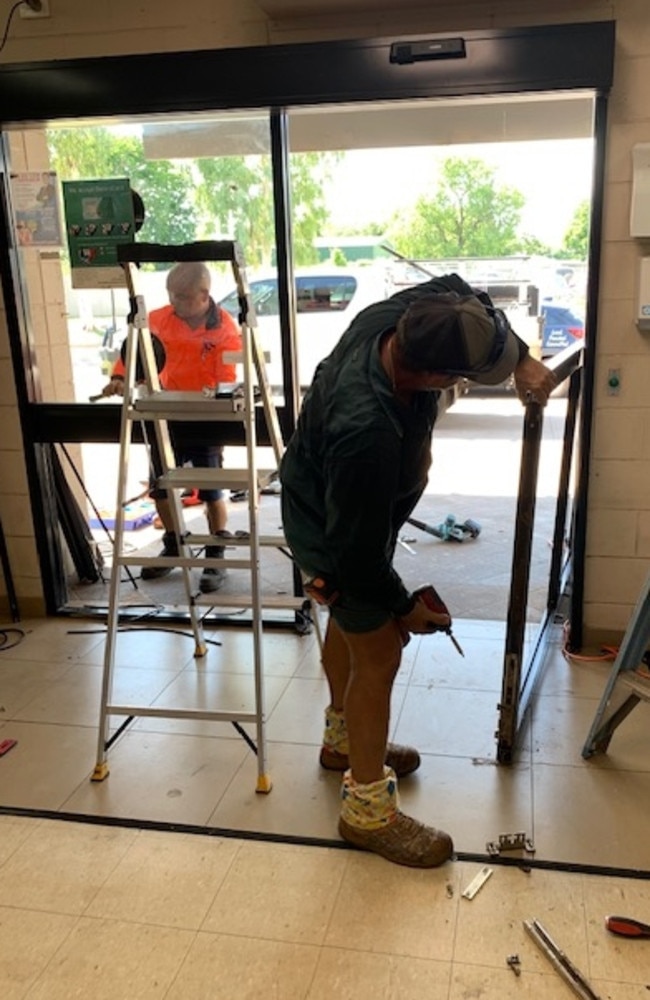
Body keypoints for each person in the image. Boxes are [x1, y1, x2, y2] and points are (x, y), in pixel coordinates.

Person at [279, 273, 556, 868]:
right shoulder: (366, 431)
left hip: (342, 505)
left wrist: (522, 360)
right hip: (331, 530)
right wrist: (405, 609)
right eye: (461, 377)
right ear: (435, 378)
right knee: (379, 649)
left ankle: (343, 745)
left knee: (351, 629)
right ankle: (366, 814)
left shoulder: (407, 314)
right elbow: (357, 561)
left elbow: (464, 292)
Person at [102, 261, 242, 593]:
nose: (174, 302)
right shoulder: (157, 320)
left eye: (181, 296)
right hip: (164, 415)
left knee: (211, 490)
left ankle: (214, 554)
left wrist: (216, 404)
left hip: (205, 417)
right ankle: (174, 542)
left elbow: (227, 382)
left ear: (204, 295)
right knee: (161, 486)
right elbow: (132, 354)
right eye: (171, 295)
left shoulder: (224, 329)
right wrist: (120, 378)